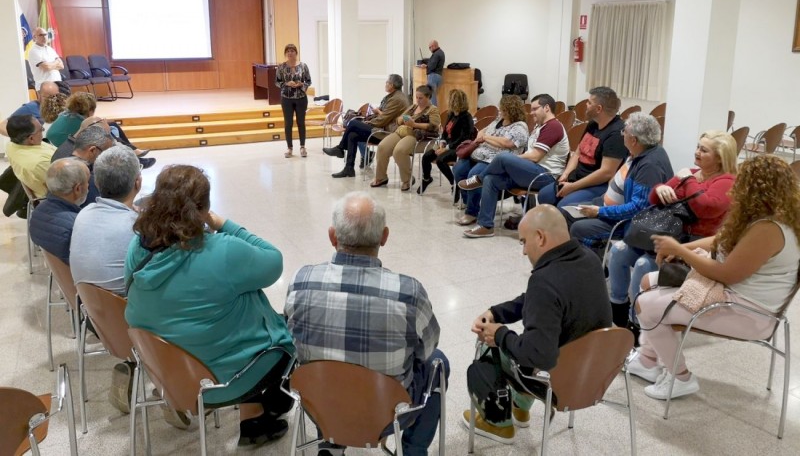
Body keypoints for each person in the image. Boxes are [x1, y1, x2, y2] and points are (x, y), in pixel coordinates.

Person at [125, 165, 295, 445]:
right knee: (276, 323)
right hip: (221, 381)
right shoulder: (222, 250)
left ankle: (253, 414)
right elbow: (273, 261)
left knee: (224, 306)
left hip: (165, 369)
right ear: (203, 209)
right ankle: (264, 407)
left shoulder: (138, 246)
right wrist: (223, 224)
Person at [285, 191, 449, 456]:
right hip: (389, 416)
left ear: (332, 236)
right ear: (384, 237)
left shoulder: (301, 280)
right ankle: (413, 451)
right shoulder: (409, 292)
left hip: (319, 406)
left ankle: (330, 443)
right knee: (439, 361)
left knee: (322, 361)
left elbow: (293, 336)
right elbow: (427, 349)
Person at [628, 155, 800, 400]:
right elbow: (722, 241)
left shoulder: (769, 229)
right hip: (735, 294)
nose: (735, 187)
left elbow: (726, 273)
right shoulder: (769, 217)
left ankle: (681, 377)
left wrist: (680, 251)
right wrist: (679, 248)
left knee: (645, 304)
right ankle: (647, 361)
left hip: (749, 312)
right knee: (648, 283)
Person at [463, 205, 611, 443]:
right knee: (523, 336)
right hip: (596, 375)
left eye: (523, 242)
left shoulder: (544, 280)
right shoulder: (589, 259)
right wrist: (496, 312)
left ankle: (497, 423)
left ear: (540, 237)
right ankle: (520, 408)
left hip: (558, 384)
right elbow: (538, 301)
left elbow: (537, 355)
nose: (523, 251)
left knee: (486, 344)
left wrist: (499, 333)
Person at [607, 131, 737, 331]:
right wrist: (659, 189)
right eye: (697, 147)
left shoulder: (726, 181)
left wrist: (687, 179)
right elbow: (653, 199)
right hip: (669, 236)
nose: (697, 152)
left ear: (720, 157)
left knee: (643, 264)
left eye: (704, 150)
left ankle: (638, 322)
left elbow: (705, 206)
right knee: (618, 251)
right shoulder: (691, 174)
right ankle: (618, 309)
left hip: (693, 248)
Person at [457, 94, 569, 238]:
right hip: (531, 171)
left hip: (545, 176)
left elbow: (535, 156)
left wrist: (511, 160)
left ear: (547, 108)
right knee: (490, 179)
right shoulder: (540, 126)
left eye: (535, 109)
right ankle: (485, 225)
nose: (531, 112)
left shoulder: (553, 126)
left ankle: (478, 178)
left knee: (503, 157)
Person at [568, 112, 673, 249]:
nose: (622, 134)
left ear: (634, 140)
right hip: (607, 204)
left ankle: (596, 258)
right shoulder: (642, 150)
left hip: (622, 221)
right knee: (567, 212)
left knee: (577, 228)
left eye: (624, 131)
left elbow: (637, 209)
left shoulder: (649, 166)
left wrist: (600, 212)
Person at [537, 86, 627, 208]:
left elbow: (606, 172)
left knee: (564, 205)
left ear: (599, 108)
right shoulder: (593, 124)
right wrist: (566, 174)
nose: (586, 104)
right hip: (577, 178)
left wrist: (573, 187)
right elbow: (578, 152)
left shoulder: (616, 133)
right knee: (544, 195)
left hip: (598, 185)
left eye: (589, 102)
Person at [71, 146, 141, 296]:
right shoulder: (138, 227)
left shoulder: (84, 213)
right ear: (138, 183)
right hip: (127, 313)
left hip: (91, 308)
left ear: (96, 183)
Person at [453, 95, 528, 227]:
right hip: (479, 154)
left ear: (512, 110)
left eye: (503, 109)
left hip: (493, 160)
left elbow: (507, 143)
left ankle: (472, 212)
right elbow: (482, 132)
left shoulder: (520, 127)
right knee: (458, 169)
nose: (500, 111)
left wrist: (487, 138)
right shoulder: (498, 121)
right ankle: (468, 201)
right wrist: (484, 136)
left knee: (473, 175)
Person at [322, 74, 409, 178]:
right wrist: (375, 115)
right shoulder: (393, 96)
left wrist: (370, 122)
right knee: (352, 135)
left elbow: (384, 119)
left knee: (354, 123)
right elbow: (385, 116)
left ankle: (340, 148)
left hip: (389, 134)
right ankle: (349, 168)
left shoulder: (397, 99)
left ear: (392, 85)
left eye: (387, 82)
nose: (385, 84)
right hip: (382, 128)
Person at [371, 84, 441, 191]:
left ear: (428, 97)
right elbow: (399, 119)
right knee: (382, 147)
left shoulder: (432, 109)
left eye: (421, 98)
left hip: (416, 136)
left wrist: (415, 125)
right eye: (416, 97)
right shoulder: (413, 107)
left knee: (399, 151)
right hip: (401, 131)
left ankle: (407, 179)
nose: (418, 100)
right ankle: (381, 177)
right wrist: (402, 120)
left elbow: (434, 126)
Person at [29, 158, 90, 265]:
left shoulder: (37, 214)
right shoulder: (78, 225)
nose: (89, 186)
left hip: (63, 277)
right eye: (87, 182)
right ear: (77, 189)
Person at [418, 89, 474, 194]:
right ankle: (426, 179)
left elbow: (464, 138)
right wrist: (442, 142)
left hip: (458, 147)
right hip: (447, 145)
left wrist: (446, 148)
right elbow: (444, 132)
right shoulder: (451, 114)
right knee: (426, 156)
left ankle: (454, 183)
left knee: (440, 160)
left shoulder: (466, 117)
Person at [51, 125, 115, 208]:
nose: (108, 157)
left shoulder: (61, 162)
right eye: (107, 153)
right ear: (92, 150)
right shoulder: (88, 180)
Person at [4, 115, 57, 198]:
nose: (42, 132)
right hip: (58, 197)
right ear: (31, 139)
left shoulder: (11, 145)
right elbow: (66, 185)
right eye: (41, 130)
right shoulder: (40, 163)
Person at [276, 44, 311, 158]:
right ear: (286, 53)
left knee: (301, 123)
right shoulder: (281, 67)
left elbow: (309, 81)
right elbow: (277, 82)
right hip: (287, 98)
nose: (290, 53)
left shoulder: (303, 66)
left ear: (296, 53)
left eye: (292, 51)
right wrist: (286, 83)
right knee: (288, 123)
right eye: (288, 51)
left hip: (301, 98)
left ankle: (302, 147)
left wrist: (301, 84)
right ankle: (289, 148)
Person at [426, 40, 445, 106]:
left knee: (431, 97)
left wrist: (426, 66)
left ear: (434, 46)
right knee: (433, 96)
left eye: (430, 47)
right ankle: (433, 113)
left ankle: (433, 114)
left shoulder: (436, 54)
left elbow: (431, 67)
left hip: (433, 76)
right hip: (438, 76)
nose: (430, 49)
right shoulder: (441, 52)